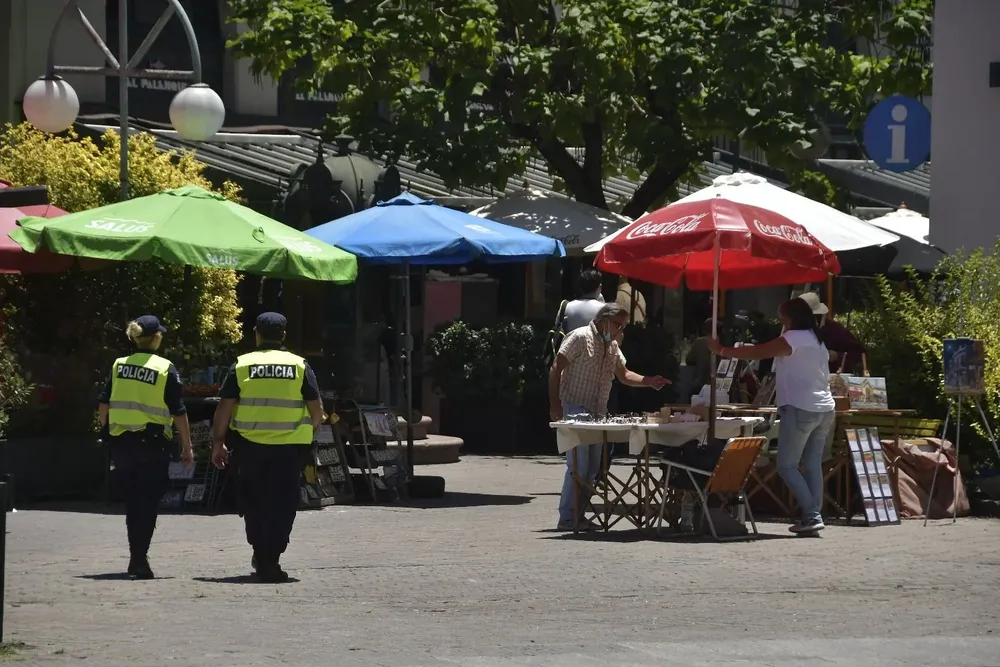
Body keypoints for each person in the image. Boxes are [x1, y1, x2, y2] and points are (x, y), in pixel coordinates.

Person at [210, 312, 324, 582]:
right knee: (283, 504)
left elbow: (224, 408)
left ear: (257, 334)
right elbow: (317, 411)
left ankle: (262, 554)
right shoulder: (299, 365)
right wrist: (304, 431)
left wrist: (218, 442)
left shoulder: (242, 365)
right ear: (283, 335)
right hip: (288, 450)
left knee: (254, 503)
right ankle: (270, 558)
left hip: (250, 448)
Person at [708, 298, 835, 535]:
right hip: (825, 408)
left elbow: (758, 351)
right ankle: (813, 516)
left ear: (791, 318)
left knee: (786, 465)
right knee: (812, 463)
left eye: (782, 317)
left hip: (801, 407)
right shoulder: (817, 341)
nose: (780, 322)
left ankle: (812, 515)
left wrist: (723, 350)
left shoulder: (792, 339)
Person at [548, 302, 670, 531]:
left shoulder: (612, 345)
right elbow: (556, 368)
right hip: (576, 407)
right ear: (605, 320)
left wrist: (649, 381)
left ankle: (579, 516)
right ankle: (567, 517)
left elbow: (624, 374)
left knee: (593, 468)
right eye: (618, 325)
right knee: (579, 466)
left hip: (598, 413)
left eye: (623, 327)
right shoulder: (580, 337)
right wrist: (554, 404)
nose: (620, 331)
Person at [97, 315, 192, 579]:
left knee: (132, 502)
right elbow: (178, 411)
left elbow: (104, 404)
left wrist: (106, 430)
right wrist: (187, 446)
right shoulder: (165, 368)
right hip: (152, 446)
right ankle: (139, 558)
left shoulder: (119, 365)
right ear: (156, 338)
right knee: (147, 502)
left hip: (122, 444)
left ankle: (135, 556)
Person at [797, 292, 866, 375]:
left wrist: (837, 355)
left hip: (830, 381)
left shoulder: (835, 330)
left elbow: (859, 353)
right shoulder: (794, 332)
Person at [686, 318, 715, 390]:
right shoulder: (722, 343)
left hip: (701, 384)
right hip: (719, 384)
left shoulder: (699, 342)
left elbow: (689, 359)